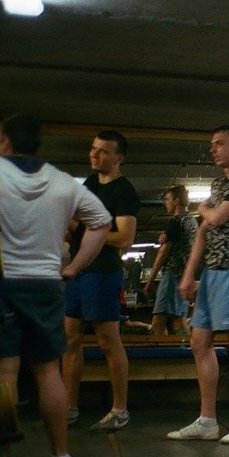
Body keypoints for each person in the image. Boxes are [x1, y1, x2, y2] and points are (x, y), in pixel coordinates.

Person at [0, 115, 112, 457]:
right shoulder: (63, 182)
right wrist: (74, 267)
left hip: (3, 284)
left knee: (5, 372)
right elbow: (102, 221)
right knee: (48, 371)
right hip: (47, 285)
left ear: (4, 142)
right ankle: (61, 455)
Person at [166, 125, 229, 444]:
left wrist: (201, 208)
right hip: (212, 271)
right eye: (211, 144)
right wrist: (188, 274)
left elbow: (217, 218)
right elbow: (204, 232)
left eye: (220, 144)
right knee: (199, 342)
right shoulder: (218, 184)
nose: (213, 149)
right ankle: (208, 419)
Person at [62, 130, 140, 430]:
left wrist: (94, 233)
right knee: (69, 340)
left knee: (109, 341)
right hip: (78, 271)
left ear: (118, 157)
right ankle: (69, 407)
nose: (95, 155)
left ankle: (120, 409)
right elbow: (77, 223)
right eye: (93, 149)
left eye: (103, 151)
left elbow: (125, 238)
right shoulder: (90, 184)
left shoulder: (124, 191)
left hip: (103, 273)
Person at [143, 185, 198, 335]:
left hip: (172, 274)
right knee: (178, 318)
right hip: (185, 275)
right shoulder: (192, 221)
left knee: (158, 321)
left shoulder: (176, 222)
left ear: (176, 201)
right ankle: (184, 351)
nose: (165, 203)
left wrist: (150, 281)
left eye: (167, 199)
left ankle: (162, 355)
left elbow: (163, 253)